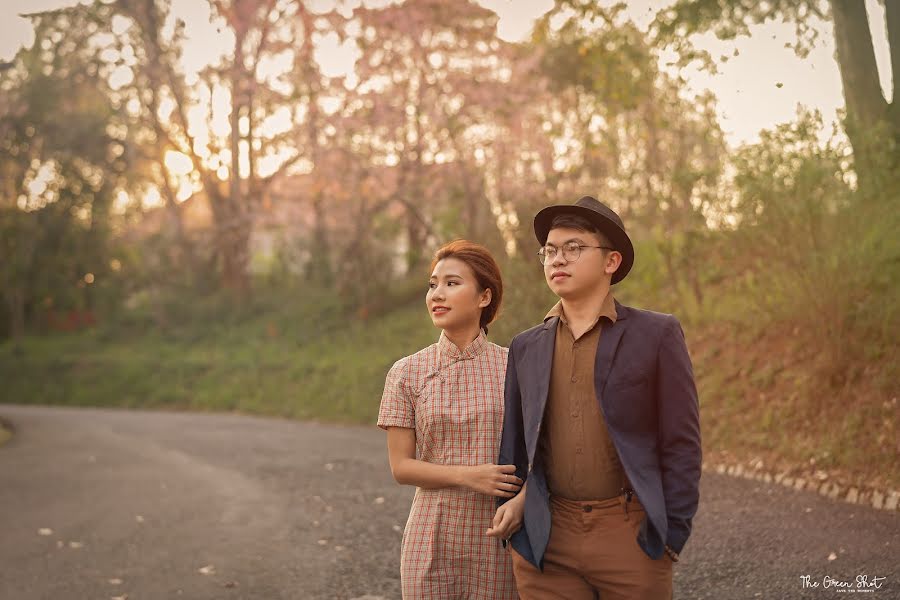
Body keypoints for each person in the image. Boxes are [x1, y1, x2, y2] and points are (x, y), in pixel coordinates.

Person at [488, 196, 702, 599]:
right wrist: (515, 511)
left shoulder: (656, 335)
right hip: (549, 540)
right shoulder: (525, 346)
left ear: (611, 262)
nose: (557, 259)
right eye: (549, 251)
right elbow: (514, 444)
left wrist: (672, 533)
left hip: (629, 533)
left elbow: (682, 442)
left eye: (573, 248)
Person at [378, 239, 520, 599]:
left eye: (452, 283)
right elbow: (401, 467)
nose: (437, 294)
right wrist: (468, 475)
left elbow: (542, 453)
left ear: (484, 297)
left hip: (498, 533)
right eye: (433, 284)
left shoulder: (515, 367)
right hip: (431, 533)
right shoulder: (407, 372)